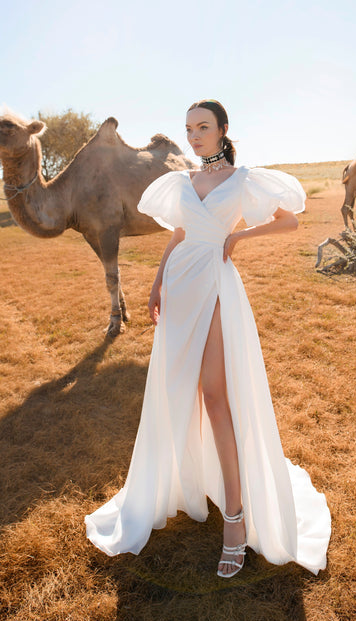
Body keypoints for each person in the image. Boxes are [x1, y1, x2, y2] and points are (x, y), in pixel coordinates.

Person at [85, 99, 331, 579]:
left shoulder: (243, 180)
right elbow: (178, 234)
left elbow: (290, 221)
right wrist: (157, 283)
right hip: (179, 286)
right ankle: (187, 482)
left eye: (203, 127)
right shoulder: (183, 182)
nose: (194, 136)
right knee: (178, 392)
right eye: (189, 129)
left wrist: (238, 239)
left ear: (222, 130)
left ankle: (236, 520)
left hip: (216, 286)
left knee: (216, 397)